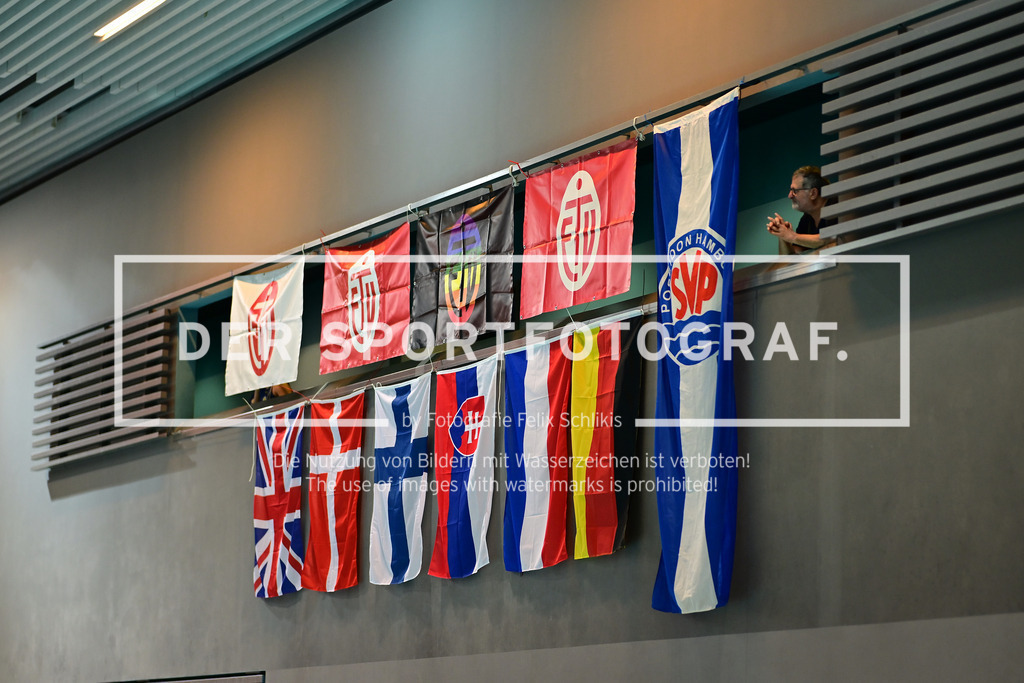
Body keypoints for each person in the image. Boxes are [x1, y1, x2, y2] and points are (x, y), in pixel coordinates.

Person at [766, 166, 835, 254]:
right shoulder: (806, 219)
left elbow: (831, 238)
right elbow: (790, 257)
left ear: (813, 193)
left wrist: (792, 236)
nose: (790, 195)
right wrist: (782, 234)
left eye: (794, 190)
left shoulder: (837, 205)